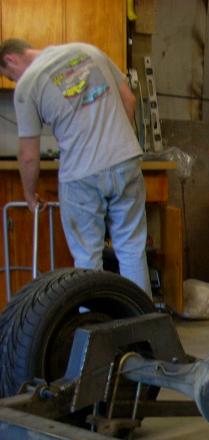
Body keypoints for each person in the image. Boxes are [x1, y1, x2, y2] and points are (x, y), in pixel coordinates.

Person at [0, 38, 151, 297]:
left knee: (87, 258)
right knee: (132, 249)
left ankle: (93, 320)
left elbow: (28, 155)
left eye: (9, 77)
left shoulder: (28, 84)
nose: (14, 81)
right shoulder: (88, 50)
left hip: (82, 173)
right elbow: (129, 99)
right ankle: (143, 318)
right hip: (125, 160)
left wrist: (29, 193)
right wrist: (114, 143)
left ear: (10, 59)